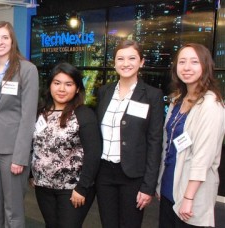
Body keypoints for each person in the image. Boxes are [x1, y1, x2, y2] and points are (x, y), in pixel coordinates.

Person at [95, 39, 164, 228]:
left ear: (141, 62)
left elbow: (154, 142)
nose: (126, 63)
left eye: (132, 58)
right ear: (114, 62)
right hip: (104, 174)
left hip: (133, 176)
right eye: (120, 58)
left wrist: (148, 186)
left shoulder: (152, 95)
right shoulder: (104, 92)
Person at [0, 21, 39, 228]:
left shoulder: (27, 70)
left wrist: (21, 157)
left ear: (12, 40)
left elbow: (28, 116)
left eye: (4, 37)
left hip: (12, 152)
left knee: (13, 209)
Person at [156, 43, 225, 228]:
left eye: (194, 62)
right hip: (170, 186)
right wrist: (160, 184)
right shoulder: (177, 99)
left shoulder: (211, 105)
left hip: (192, 193)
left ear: (205, 66)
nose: (186, 67)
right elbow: (167, 145)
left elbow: (203, 157)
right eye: (182, 62)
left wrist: (188, 197)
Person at [30, 62, 102, 228]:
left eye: (68, 84)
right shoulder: (41, 111)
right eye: (57, 83)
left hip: (72, 188)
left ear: (77, 88)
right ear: (50, 86)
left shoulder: (84, 114)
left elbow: (93, 154)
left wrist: (82, 188)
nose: (62, 89)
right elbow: (34, 144)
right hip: (43, 186)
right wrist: (32, 175)